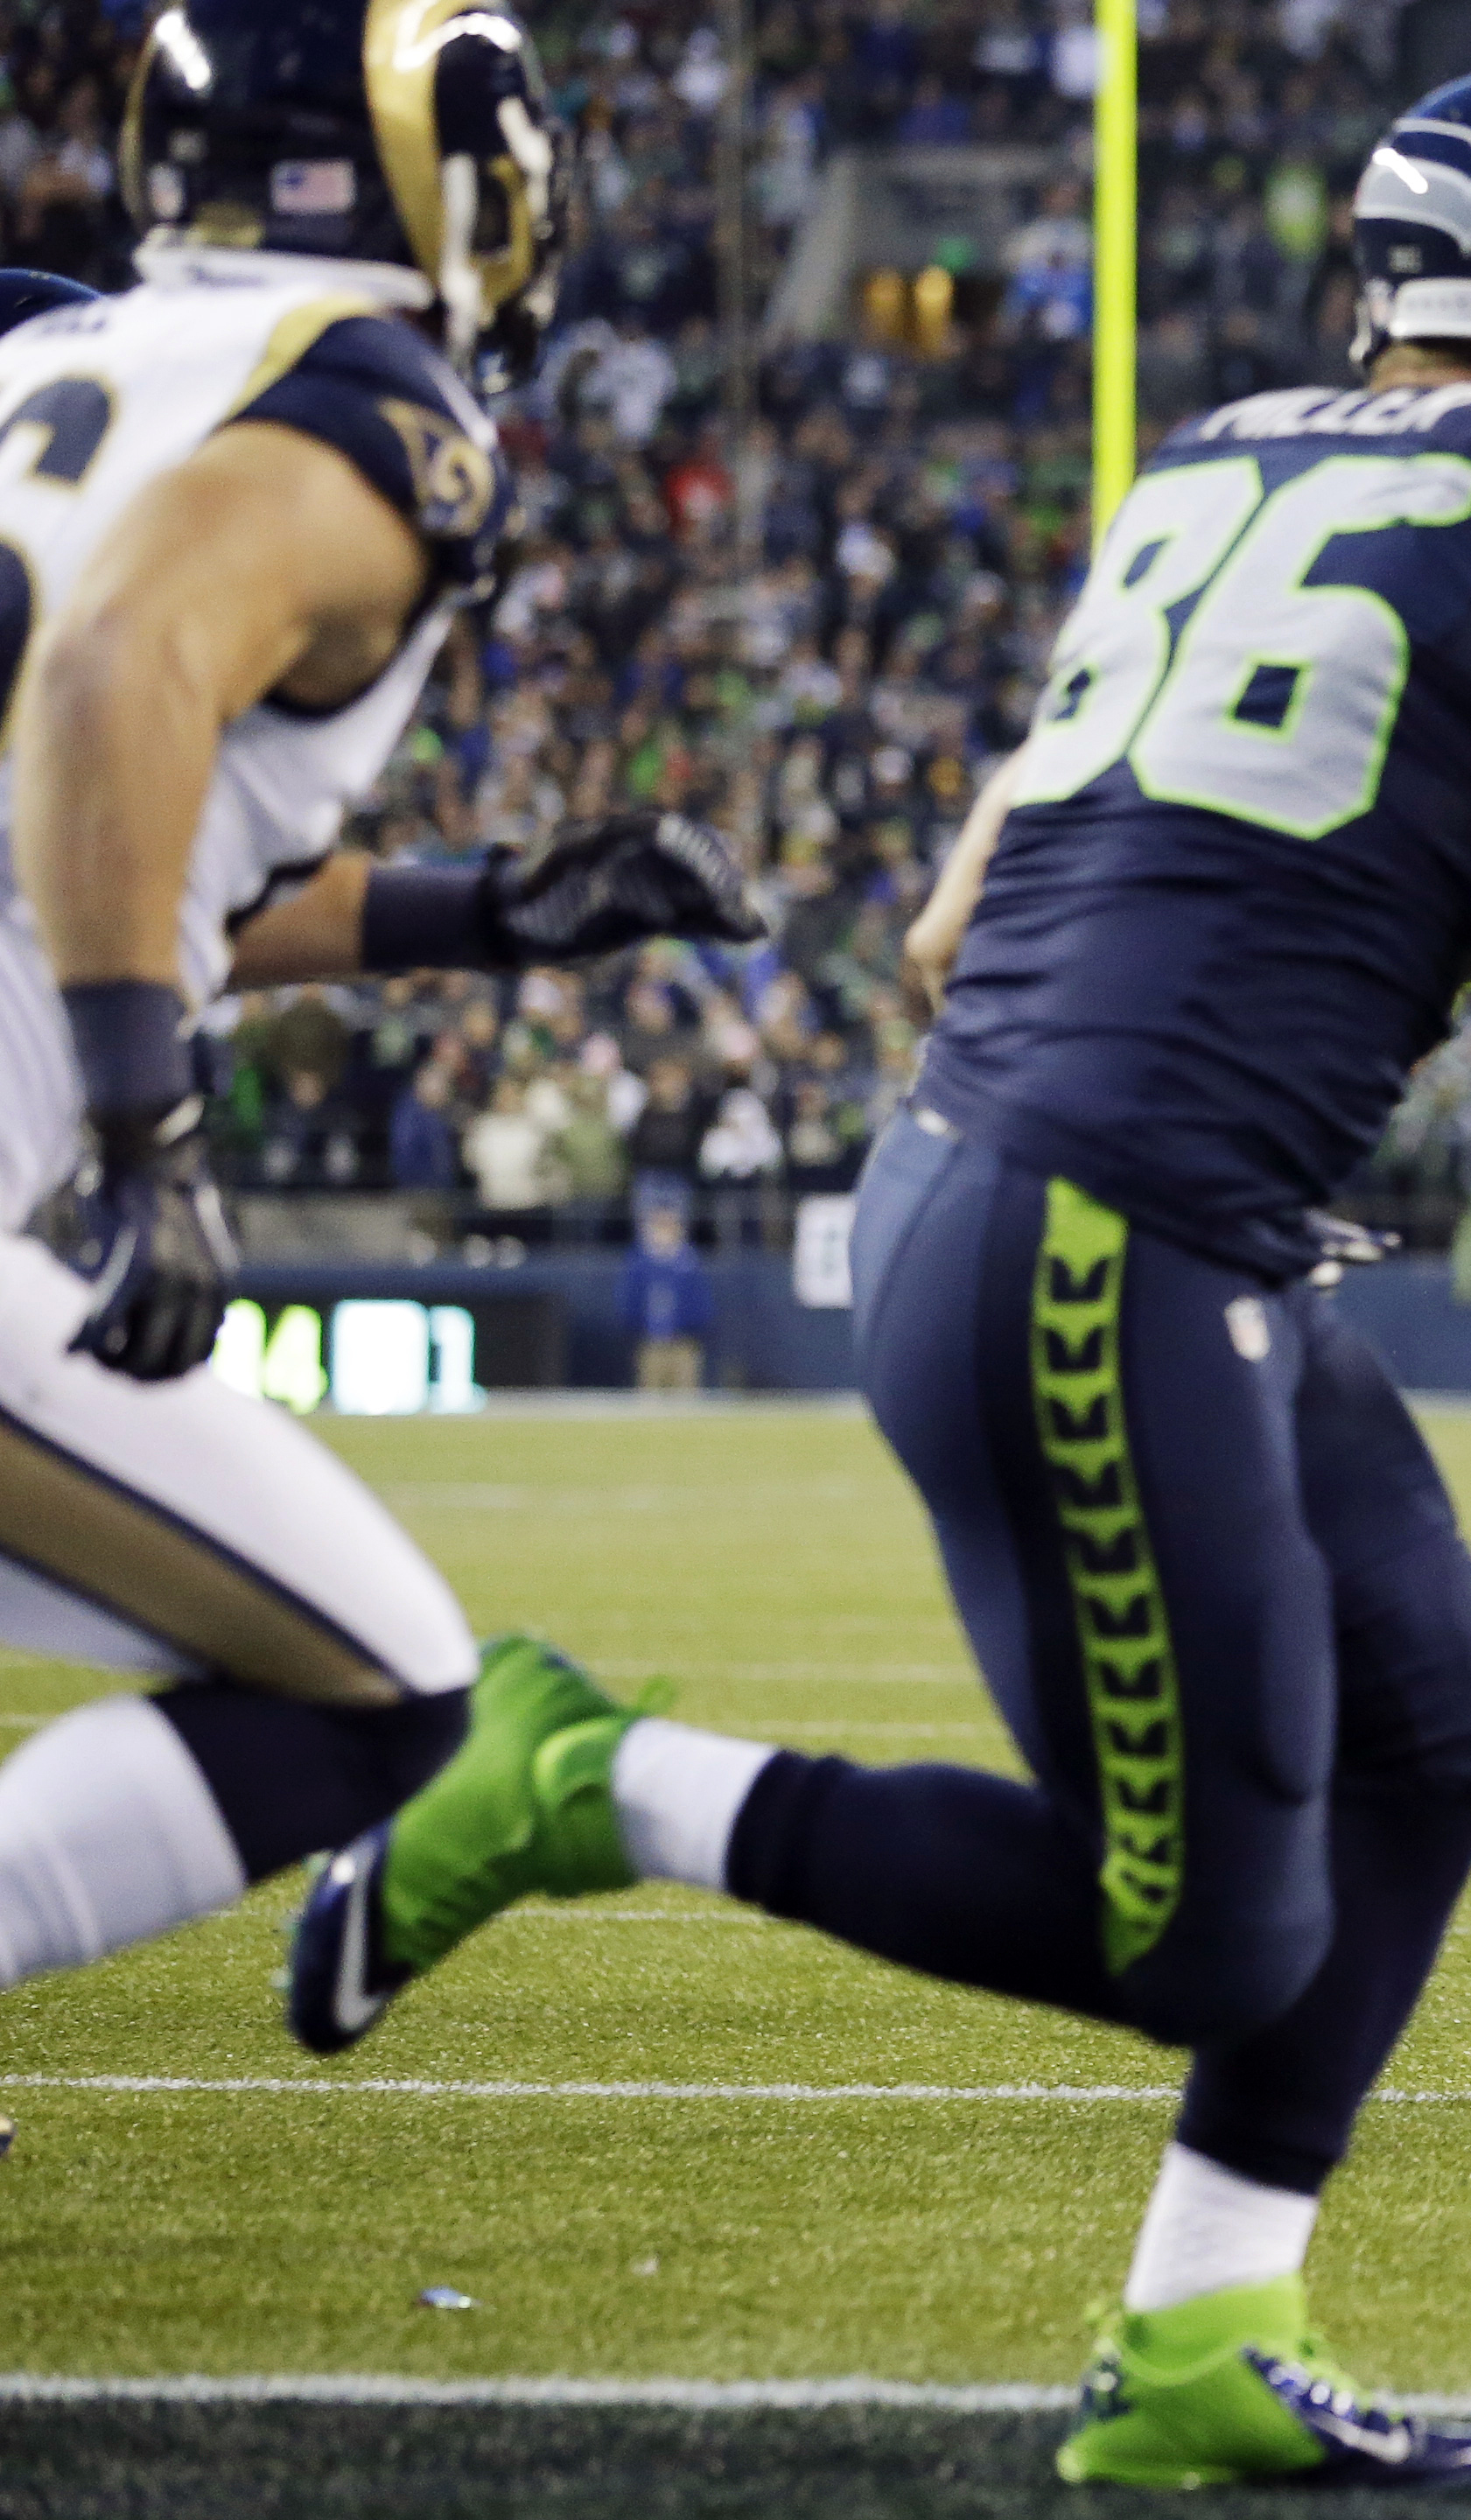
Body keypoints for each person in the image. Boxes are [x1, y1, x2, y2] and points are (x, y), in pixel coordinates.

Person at [290, 66, 1471, 2494]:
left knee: (1451, 1717)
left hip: (1040, 1198)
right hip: (1122, 1238)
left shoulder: (1216, 458)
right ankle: (585, 1778)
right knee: (1200, 1929)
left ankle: (1201, 2336)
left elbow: (939, 932)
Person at [0, 9, 760, 2000]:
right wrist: (141, 1130)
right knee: (386, 1689)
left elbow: (129, 843)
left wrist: (490, 910)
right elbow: (108, 688)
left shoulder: (53, 351)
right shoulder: (365, 398)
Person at [620, 1203, 714, 1390]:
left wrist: (692, 1329)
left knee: (685, 1395)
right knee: (650, 1395)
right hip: (651, 1342)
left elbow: (702, 1303)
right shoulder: (639, 1264)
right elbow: (628, 1301)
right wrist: (636, 1328)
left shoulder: (689, 1264)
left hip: (683, 1343)